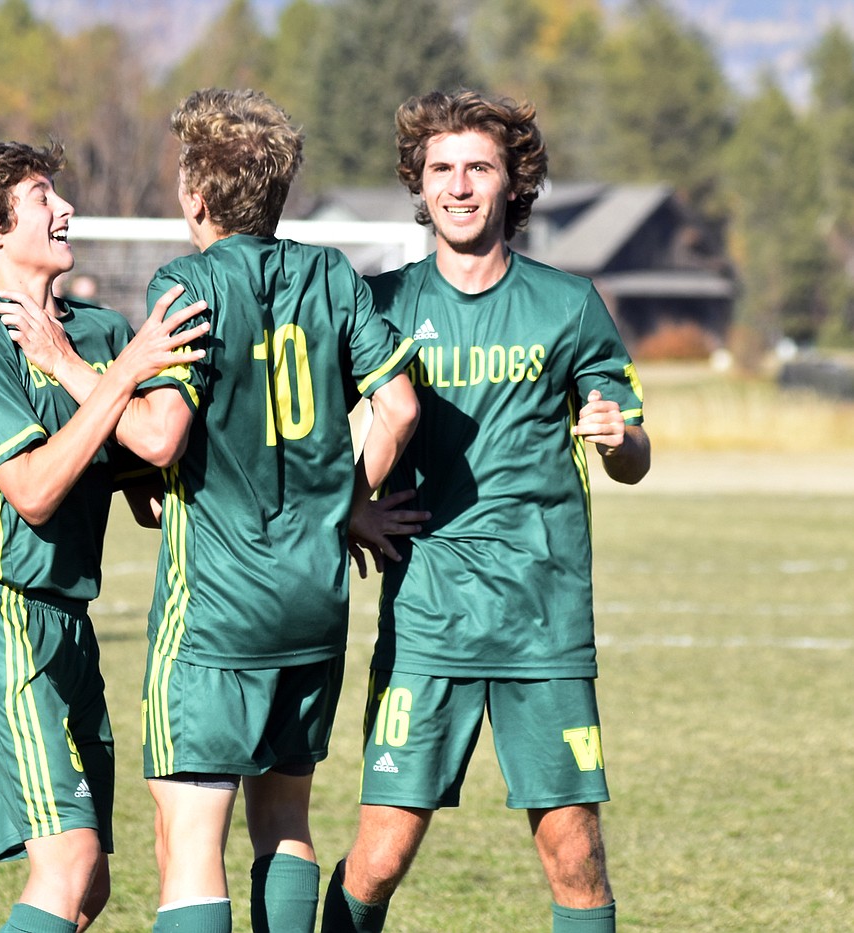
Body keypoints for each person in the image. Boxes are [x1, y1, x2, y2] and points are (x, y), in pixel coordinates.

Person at [320, 89, 651, 933]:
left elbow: (637, 455)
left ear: (513, 184)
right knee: (381, 853)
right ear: (418, 184)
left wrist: (618, 437)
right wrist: (351, 508)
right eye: (440, 169)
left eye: (478, 167)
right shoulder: (379, 303)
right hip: (428, 613)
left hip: (542, 619)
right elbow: (309, 434)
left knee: (573, 852)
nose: (459, 186)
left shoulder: (569, 304)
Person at [126, 88, 418, 933]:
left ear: (198, 198)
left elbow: (161, 437)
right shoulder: (329, 273)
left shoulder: (187, 280)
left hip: (219, 605)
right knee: (286, 822)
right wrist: (353, 500)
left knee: (189, 838)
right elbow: (397, 406)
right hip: (315, 597)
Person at [0, 140, 209, 933]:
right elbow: (36, 491)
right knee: (68, 862)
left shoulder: (105, 328)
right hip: (0, 612)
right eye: (43, 196)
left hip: (69, 621)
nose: (65, 209)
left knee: (91, 889)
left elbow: (144, 462)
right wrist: (118, 379)